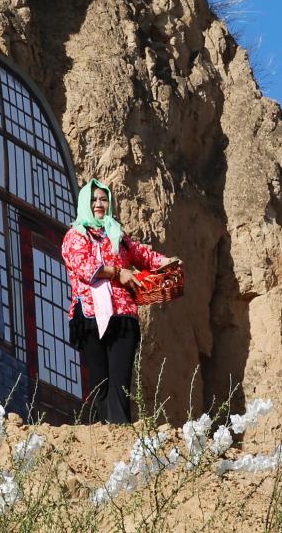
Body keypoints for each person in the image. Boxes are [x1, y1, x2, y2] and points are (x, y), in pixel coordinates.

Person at [61, 179, 177, 424]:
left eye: (103, 199)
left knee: (121, 379)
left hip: (123, 315)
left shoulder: (118, 236)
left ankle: (121, 429)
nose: (99, 204)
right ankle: (103, 431)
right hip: (90, 315)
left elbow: (143, 254)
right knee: (99, 380)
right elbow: (83, 266)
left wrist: (167, 263)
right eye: (93, 200)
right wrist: (118, 272)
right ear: (84, 204)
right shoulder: (76, 235)